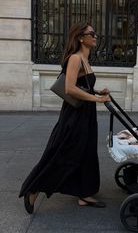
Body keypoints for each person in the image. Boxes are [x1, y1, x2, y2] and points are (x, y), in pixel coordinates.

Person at [19, 22, 111, 213]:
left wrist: (96, 91)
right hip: (75, 117)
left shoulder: (85, 59)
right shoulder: (76, 58)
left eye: (95, 33)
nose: (95, 37)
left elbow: (81, 85)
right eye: (91, 33)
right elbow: (69, 88)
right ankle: (34, 188)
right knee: (65, 154)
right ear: (80, 37)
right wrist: (96, 98)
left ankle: (84, 194)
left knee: (86, 153)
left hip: (85, 114)